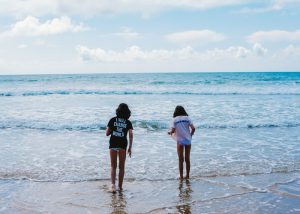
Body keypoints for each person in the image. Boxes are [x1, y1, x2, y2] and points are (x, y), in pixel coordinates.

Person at [106, 103, 133, 193]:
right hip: (122, 145)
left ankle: (113, 186)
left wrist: (114, 129)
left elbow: (107, 133)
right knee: (122, 167)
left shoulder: (112, 120)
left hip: (113, 143)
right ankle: (120, 187)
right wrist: (130, 147)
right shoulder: (128, 122)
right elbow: (131, 135)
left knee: (113, 166)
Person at [168, 106, 195, 180]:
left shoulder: (175, 120)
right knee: (187, 159)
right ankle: (188, 175)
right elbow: (193, 128)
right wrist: (191, 135)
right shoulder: (188, 118)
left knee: (180, 159)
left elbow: (173, 131)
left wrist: (169, 132)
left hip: (180, 141)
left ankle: (181, 176)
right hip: (188, 140)